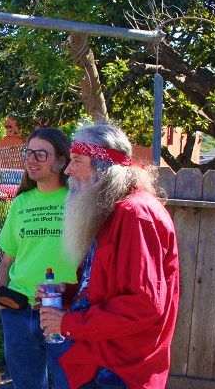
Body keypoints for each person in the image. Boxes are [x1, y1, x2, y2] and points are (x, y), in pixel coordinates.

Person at [39, 124, 180, 389]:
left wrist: (68, 322)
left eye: (77, 160)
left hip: (120, 371)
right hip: (102, 361)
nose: (67, 170)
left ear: (103, 167)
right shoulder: (111, 210)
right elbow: (105, 285)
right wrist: (67, 294)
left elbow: (143, 305)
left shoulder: (134, 215)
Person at [0, 127, 77, 389]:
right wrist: (0, 297)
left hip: (64, 312)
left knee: (70, 383)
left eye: (41, 154)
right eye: (29, 153)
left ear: (61, 161)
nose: (32, 160)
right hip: (19, 312)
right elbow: (7, 259)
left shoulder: (77, 202)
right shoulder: (20, 203)